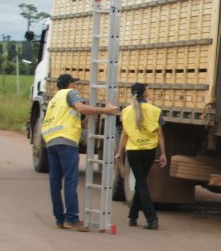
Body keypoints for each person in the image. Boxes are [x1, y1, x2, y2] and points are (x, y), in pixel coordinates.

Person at [42, 74, 120, 231]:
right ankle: (72, 219)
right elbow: (81, 108)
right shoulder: (71, 93)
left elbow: (71, 119)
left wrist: (87, 120)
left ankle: (60, 219)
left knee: (55, 183)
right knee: (70, 181)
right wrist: (106, 110)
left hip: (51, 141)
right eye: (74, 83)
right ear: (69, 84)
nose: (76, 86)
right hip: (66, 141)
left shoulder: (54, 99)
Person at [115, 82, 167, 230]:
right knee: (142, 182)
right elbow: (160, 134)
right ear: (145, 93)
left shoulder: (126, 111)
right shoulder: (155, 110)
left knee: (141, 183)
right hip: (149, 151)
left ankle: (141, 217)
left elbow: (124, 134)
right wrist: (163, 153)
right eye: (147, 89)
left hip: (133, 151)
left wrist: (120, 151)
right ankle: (143, 217)